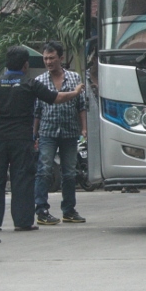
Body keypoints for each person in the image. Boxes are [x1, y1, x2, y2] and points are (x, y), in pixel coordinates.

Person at [0, 46, 83, 232]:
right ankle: (22, 222)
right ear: (25, 65)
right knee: (22, 179)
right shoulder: (30, 83)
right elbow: (56, 98)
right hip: (21, 138)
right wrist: (76, 92)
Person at [33, 41, 88, 225]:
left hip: (69, 132)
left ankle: (69, 210)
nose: (48, 62)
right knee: (44, 170)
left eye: (52, 58)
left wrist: (84, 128)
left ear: (61, 58)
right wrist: (34, 134)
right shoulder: (39, 81)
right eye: (45, 58)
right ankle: (41, 210)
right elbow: (37, 111)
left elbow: (81, 106)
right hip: (47, 132)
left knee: (70, 173)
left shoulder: (74, 78)